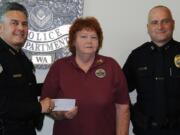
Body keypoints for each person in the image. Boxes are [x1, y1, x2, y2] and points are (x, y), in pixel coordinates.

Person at [41, 16, 130, 135]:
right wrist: (61, 114)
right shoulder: (59, 67)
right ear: (73, 41)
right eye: (83, 37)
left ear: (99, 42)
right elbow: (46, 103)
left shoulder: (111, 66)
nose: (89, 41)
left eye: (94, 37)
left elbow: (123, 108)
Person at [123, 5, 180, 135]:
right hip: (145, 130)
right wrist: (132, 114)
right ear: (148, 27)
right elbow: (120, 90)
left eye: (165, 21)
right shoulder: (137, 56)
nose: (160, 27)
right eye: (154, 22)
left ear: (173, 24)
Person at [0, 2, 54, 135]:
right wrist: (39, 107)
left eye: (24, 24)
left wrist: (57, 85)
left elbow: (23, 89)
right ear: (0, 27)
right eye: (14, 23)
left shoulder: (19, 56)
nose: (21, 28)